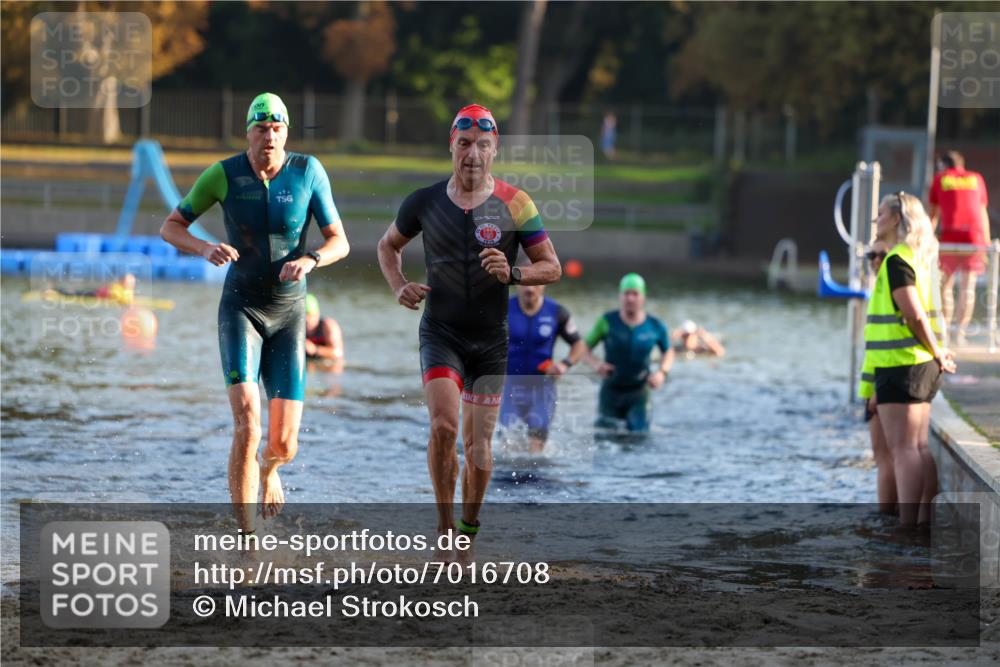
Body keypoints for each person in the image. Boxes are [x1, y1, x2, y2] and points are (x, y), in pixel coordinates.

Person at [376, 104, 561, 561]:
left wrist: (514, 275)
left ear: (494, 150)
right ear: (451, 148)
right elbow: (387, 246)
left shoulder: (517, 204)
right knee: (443, 426)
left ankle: (467, 532)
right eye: (464, 145)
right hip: (440, 331)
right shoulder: (423, 202)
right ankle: (442, 530)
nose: (472, 155)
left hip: (490, 341)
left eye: (482, 145)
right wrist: (399, 285)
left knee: (478, 447)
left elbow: (551, 267)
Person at [160, 92, 350, 531]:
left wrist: (313, 259)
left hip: (288, 314)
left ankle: (270, 471)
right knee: (248, 421)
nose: (269, 136)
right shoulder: (223, 175)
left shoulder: (308, 172)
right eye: (261, 128)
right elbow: (171, 226)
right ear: (248, 131)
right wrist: (205, 246)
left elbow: (338, 239)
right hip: (240, 309)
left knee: (283, 444)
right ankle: (247, 537)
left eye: (277, 128)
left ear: (287, 132)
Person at [863, 192, 956, 526]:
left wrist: (937, 352)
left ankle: (906, 529)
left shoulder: (897, 260)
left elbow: (915, 316)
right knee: (917, 447)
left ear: (897, 219)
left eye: (880, 214)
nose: (876, 221)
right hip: (918, 365)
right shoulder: (919, 257)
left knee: (903, 449)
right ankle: (922, 523)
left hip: (902, 365)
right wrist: (936, 354)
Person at [500, 282, 588, 453]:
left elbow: (579, 344)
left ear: (544, 285)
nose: (529, 289)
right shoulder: (503, 310)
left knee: (536, 448)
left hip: (542, 388)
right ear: (516, 285)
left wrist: (564, 364)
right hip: (510, 387)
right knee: (509, 445)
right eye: (524, 284)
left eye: (535, 284)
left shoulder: (557, 312)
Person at [583, 273, 674, 433]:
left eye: (635, 294)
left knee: (638, 439)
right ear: (620, 296)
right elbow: (583, 349)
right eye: (626, 293)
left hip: (639, 392)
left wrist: (662, 373)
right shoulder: (607, 321)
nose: (630, 298)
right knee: (606, 439)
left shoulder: (655, 325)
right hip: (611, 391)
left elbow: (668, 352)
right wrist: (596, 364)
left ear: (643, 297)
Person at [928, 150, 991, 347]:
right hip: (975, 237)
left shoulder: (940, 179)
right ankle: (960, 334)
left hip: (950, 237)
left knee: (944, 285)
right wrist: (986, 244)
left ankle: (945, 331)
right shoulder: (976, 178)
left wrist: (926, 240)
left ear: (943, 165)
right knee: (968, 288)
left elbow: (933, 216)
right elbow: (982, 213)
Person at [858, 239, 896, 515]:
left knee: (885, 458)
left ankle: (888, 522)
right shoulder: (880, 290)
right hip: (877, 383)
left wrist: (876, 391)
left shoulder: (892, 289)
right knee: (892, 456)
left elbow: (889, 347)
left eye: (879, 255)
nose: (873, 260)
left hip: (884, 384)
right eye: (870, 255)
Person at [305, 293, 344, 372]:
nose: (306, 320)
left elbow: (338, 353)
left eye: (309, 315)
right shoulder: (296, 327)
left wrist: (315, 350)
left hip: (330, 364)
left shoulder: (328, 326)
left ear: (317, 314)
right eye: (303, 315)